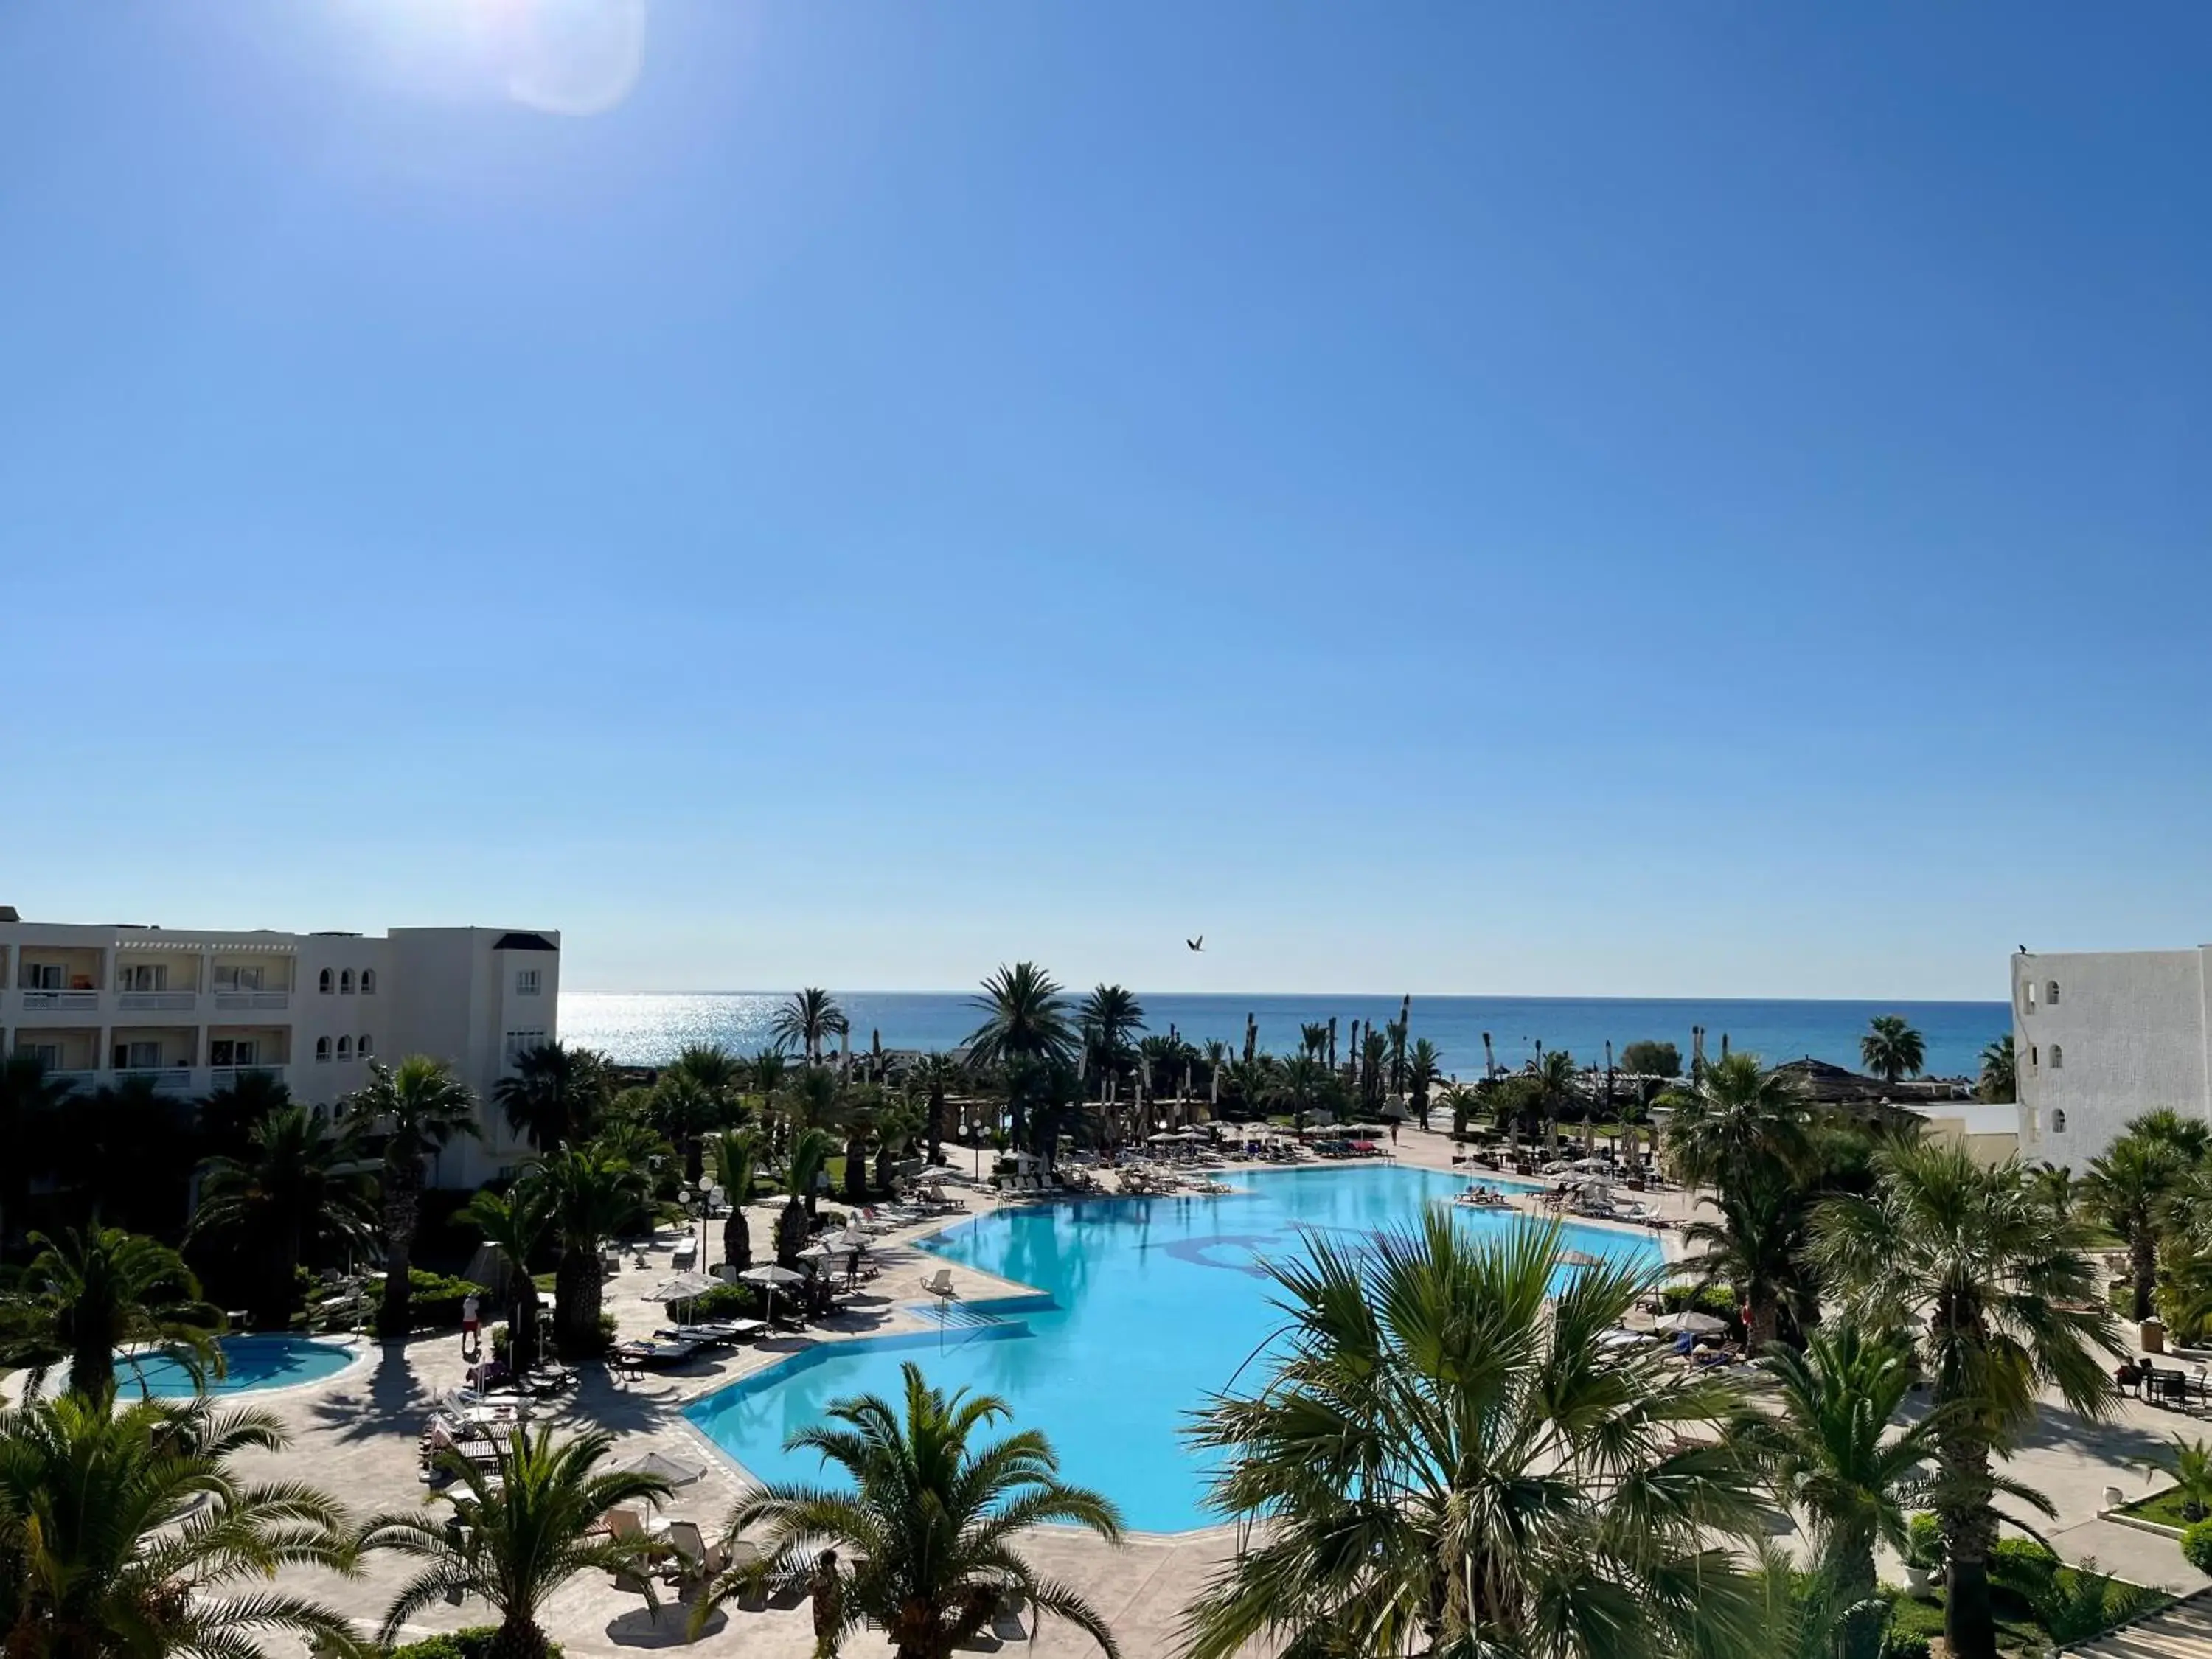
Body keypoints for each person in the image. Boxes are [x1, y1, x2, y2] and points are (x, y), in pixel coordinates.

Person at [808, 1547, 844, 1658]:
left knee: (832, 1631)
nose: (832, 1566)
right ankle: (824, 1653)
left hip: (832, 1608)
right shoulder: (818, 1575)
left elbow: (838, 1587)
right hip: (821, 1609)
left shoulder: (834, 1574)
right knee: (822, 1632)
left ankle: (832, 1650)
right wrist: (817, 1585)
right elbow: (809, 1587)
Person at [460, 1292, 481, 1358]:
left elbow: (464, 1309)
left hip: (466, 1319)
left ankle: (463, 1344)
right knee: (477, 1329)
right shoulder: (476, 1302)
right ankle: (476, 1342)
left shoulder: (466, 1301)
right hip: (473, 1319)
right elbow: (477, 1310)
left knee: (465, 1333)